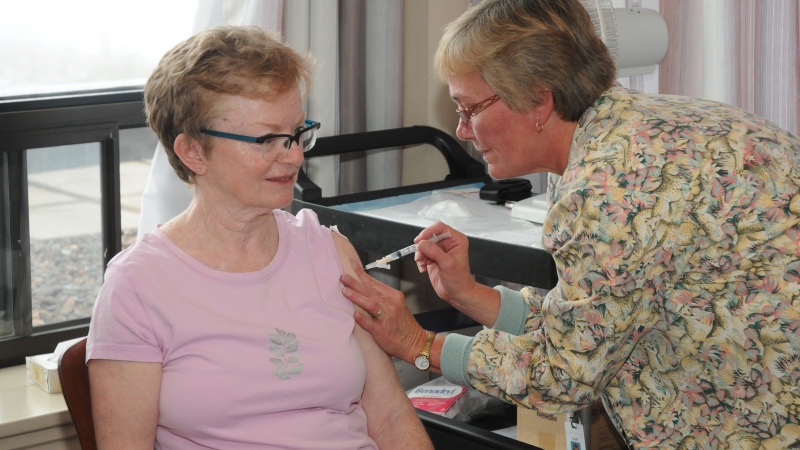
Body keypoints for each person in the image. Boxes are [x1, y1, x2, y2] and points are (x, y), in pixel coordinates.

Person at [341, 0, 800, 449]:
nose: (461, 130)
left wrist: (418, 342)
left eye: (469, 109)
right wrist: (471, 296)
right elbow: (597, 320)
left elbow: (563, 374)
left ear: (538, 100)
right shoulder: (653, 125)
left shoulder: (603, 189)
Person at [86, 25, 432, 450]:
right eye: (268, 139)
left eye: (297, 132)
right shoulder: (138, 286)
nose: (295, 155)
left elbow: (393, 417)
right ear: (193, 151)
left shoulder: (328, 250)